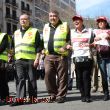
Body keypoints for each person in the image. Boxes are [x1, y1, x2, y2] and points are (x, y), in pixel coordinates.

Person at [10, 13, 43, 106]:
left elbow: (38, 47)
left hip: (30, 59)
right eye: (21, 19)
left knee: (32, 79)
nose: (23, 21)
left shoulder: (34, 31)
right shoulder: (16, 33)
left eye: (25, 19)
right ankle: (20, 99)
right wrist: (11, 56)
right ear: (20, 21)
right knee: (20, 79)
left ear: (29, 21)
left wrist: (37, 59)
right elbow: (13, 47)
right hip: (19, 60)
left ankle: (32, 98)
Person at [42, 10, 70, 103]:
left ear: (58, 17)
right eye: (50, 16)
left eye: (54, 16)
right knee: (48, 75)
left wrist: (65, 47)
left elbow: (69, 39)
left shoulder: (65, 25)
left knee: (62, 77)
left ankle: (61, 95)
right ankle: (52, 94)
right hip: (48, 56)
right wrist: (42, 49)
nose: (52, 18)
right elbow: (44, 40)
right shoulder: (46, 26)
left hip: (61, 56)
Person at [67, 15, 94, 103]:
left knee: (86, 77)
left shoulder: (90, 31)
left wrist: (90, 45)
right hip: (76, 58)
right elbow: (66, 42)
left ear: (82, 21)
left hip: (87, 57)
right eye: (74, 20)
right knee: (79, 78)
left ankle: (88, 96)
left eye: (77, 20)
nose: (76, 21)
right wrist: (67, 46)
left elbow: (95, 43)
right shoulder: (71, 32)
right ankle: (82, 95)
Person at [94, 16, 110, 101]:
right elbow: (92, 42)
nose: (100, 23)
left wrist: (108, 37)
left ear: (106, 23)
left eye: (102, 21)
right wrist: (94, 40)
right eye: (99, 21)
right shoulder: (95, 31)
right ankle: (106, 93)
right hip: (100, 56)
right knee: (103, 76)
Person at [0, 30, 10, 105]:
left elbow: (2, 47)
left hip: (1, 61)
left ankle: (5, 98)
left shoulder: (4, 35)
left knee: (2, 81)